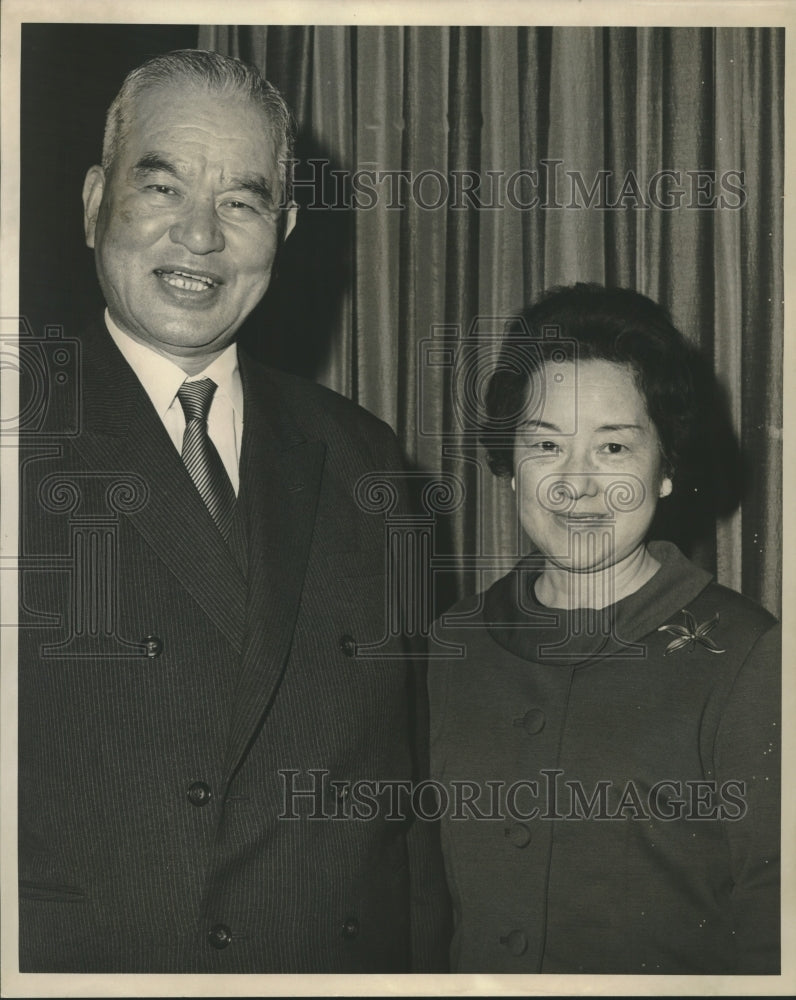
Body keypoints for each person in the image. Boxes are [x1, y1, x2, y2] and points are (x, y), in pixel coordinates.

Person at [18, 48, 449, 973]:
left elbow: (404, 804)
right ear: (96, 200)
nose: (201, 238)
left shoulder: (370, 463)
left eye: (242, 202)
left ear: (285, 229)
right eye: (164, 188)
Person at [427, 283, 780, 974]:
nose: (576, 484)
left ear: (667, 466)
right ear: (510, 466)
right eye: (547, 445)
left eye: (613, 447)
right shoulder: (450, 645)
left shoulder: (749, 656)